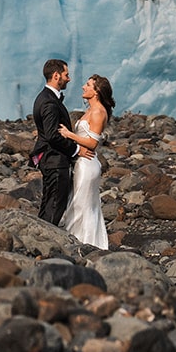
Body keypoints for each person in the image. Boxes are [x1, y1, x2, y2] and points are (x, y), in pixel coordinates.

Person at [58, 73, 114, 249]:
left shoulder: (98, 111)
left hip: (88, 163)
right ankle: (80, 241)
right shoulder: (91, 110)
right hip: (82, 162)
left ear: (96, 91)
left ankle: (85, 244)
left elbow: (92, 143)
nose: (83, 86)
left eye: (88, 84)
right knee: (80, 203)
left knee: (82, 205)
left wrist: (69, 134)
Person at [32, 57, 75, 225]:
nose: (69, 79)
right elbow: (52, 135)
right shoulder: (49, 101)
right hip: (54, 159)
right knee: (55, 204)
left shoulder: (44, 97)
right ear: (57, 76)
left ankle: (39, 236)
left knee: (49, 202)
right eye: (66, 74)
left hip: (50, 159)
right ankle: (44, 242)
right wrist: (75, 150)